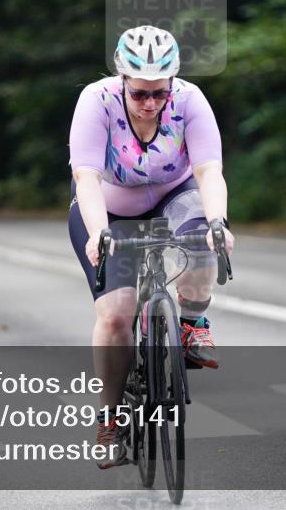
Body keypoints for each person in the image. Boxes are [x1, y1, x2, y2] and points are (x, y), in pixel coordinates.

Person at [68, 25, 235, 469]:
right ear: (122, 80)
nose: (149, 104)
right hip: (110, 207)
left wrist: (218, 221)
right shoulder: (96, 100)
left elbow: (208, 171)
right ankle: (109, 418)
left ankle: (192, 320)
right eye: (140, 94)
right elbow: (86, 178)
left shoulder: (190, 100)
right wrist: (99, 232)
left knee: (204, 239)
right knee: (117, 314)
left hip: (173, 195)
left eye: (159, 93)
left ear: (172, 85)